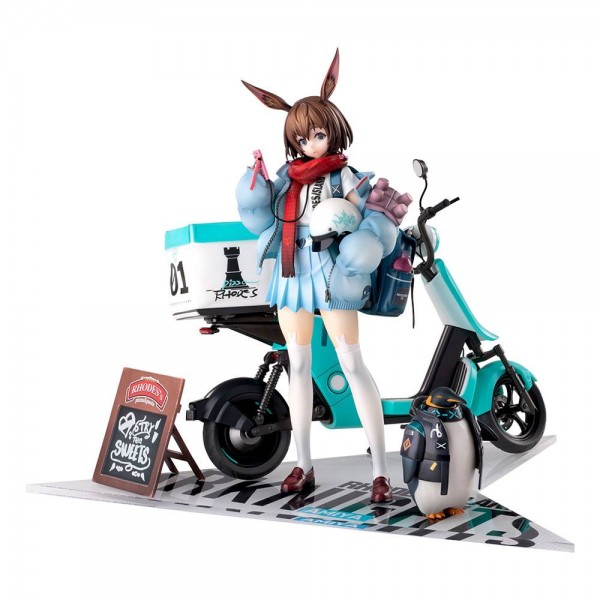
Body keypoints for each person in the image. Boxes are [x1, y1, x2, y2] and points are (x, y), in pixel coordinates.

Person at [236, 49, 411, 503]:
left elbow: (367, 213)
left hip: (333, 275)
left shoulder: (347, 176)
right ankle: (303, 464)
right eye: (302, 137)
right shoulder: (287, 179)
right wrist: (254, 183)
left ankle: (380, 470)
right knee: (298, 365)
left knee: (352, 363)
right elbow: (263, 215)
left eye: (318, 134)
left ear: (332, 130)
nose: (311, 143)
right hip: (292, 274)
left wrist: (368, 227)